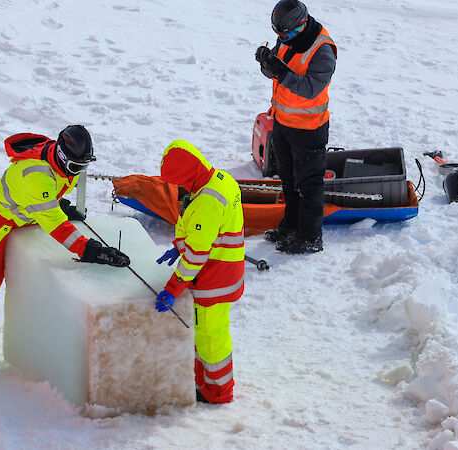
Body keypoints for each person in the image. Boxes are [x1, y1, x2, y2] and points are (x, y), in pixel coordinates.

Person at [0, 125, 130, 376]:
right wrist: (90, 250)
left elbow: (52, 195)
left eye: (84, 167)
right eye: (76, 168)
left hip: (29, 213)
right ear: (63, 157)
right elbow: (57, 227)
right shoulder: (34, 175)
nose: (79, 173)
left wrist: (58, 204)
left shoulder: (58, 157)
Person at [154, 139, 244, 404]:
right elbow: (205, 233)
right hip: (226, 271)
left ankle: (217, 392)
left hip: (213, 282)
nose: (179, 187)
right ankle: (205, 382)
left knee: (210, 338)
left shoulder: (207, 201)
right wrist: (178, 246)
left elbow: (196, 256)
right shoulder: (220, 179)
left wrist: (172, 290)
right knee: (208, 334)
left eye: (178, 181)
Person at [254, 0, 337, 254]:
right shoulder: (289, 36)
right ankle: (290, 225)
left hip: (309, 128)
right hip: (282, 122)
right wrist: (267, 65)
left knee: (309, 185)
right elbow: (280, 71)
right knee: (288, 180)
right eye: (278, 35)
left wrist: (281, 74)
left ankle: (310, 238)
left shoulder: (322, 49)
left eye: (285, 35)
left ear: (301, 24)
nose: (282, 40)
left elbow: (311, 89)